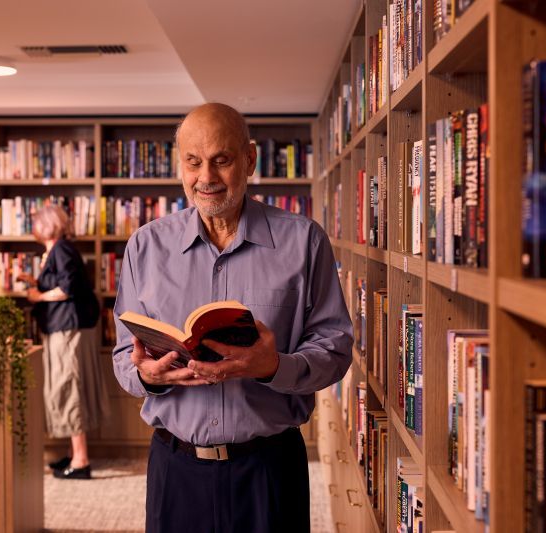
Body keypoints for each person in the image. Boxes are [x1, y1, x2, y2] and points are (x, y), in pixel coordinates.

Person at [112, 103, 353, 532]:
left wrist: (275, 366)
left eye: (221, 160)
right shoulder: (145, 247)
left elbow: (335, 349)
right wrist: (149, 376)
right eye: (193, 162)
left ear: (250, 159)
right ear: (179, 165)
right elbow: (121, 360)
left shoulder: (304, 242)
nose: (206, 177)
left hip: (269, 470)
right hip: (175, 469)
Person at [18, 204, 102, 480]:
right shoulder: (56, 250)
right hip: (63, 328)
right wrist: (34, 281)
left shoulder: (62, 249)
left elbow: (68, 288)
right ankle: (73, 452)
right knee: (65, 387)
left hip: (69, 329)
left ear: (46, 224)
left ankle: (81, 461)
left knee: (69, 388)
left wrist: (38, 297)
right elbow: (61, 282)